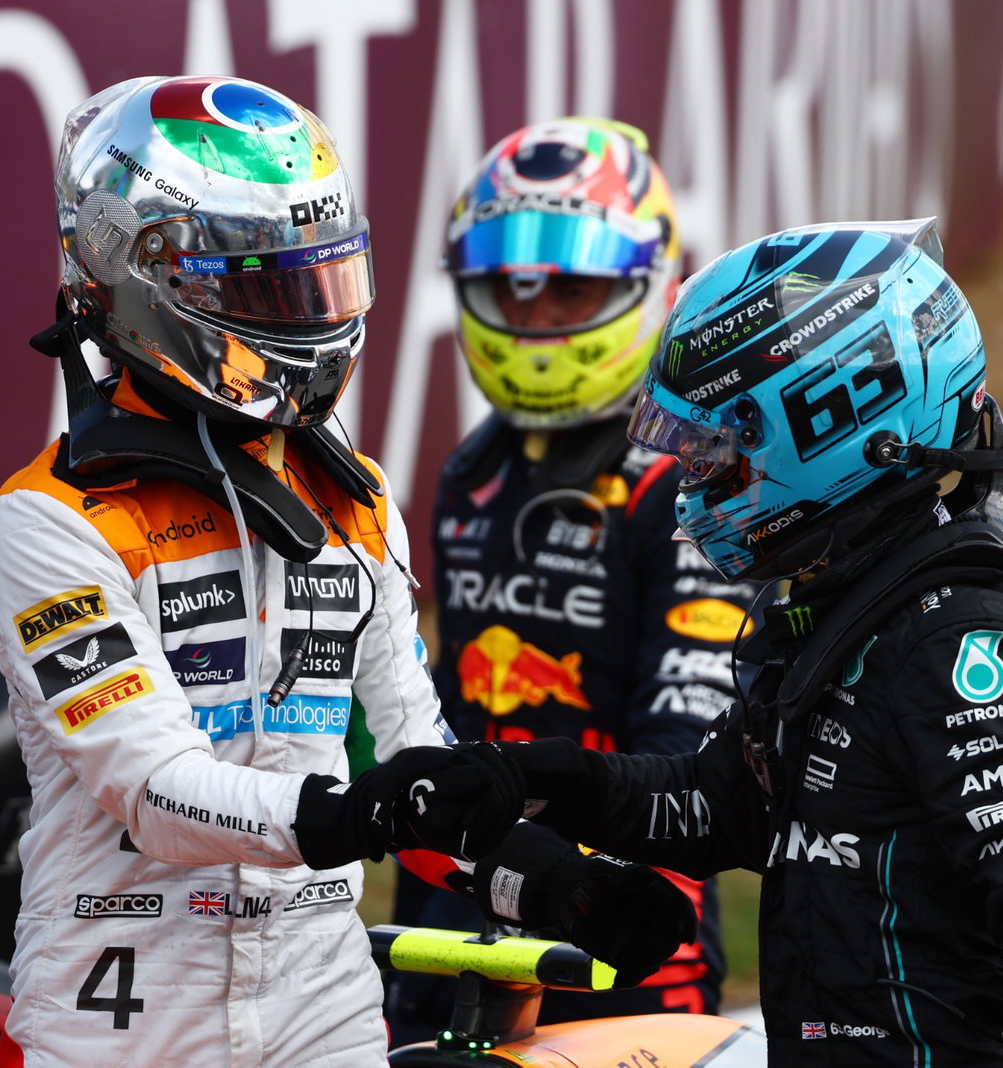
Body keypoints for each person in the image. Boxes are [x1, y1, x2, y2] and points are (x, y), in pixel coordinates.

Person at [473, 219, 1003, 1065]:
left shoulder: (957, 650)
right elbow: (711, 808)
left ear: (828, 425)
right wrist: (535, 777)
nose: (691, 487)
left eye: (714, 453)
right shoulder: (841, 617)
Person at [0, 75, 530, 1067]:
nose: (304, 318)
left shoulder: (353, 500)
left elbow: (419, 751)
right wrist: (362, 811)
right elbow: (152, 789)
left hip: (325, 1010)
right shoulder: (46, 522)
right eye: (267, 288)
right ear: (136, 271)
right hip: (118, 1020)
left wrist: (544, 872)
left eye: (318, 283)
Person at [386, 117, 749, 1040]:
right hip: (463, 897)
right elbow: (440, 712)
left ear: (650, 287)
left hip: (623, 910)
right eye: (514, 291)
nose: (538, 321)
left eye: (571, 292)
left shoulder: (687, 477)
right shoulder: (471, 469)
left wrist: (592, 881)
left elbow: (688, 730)